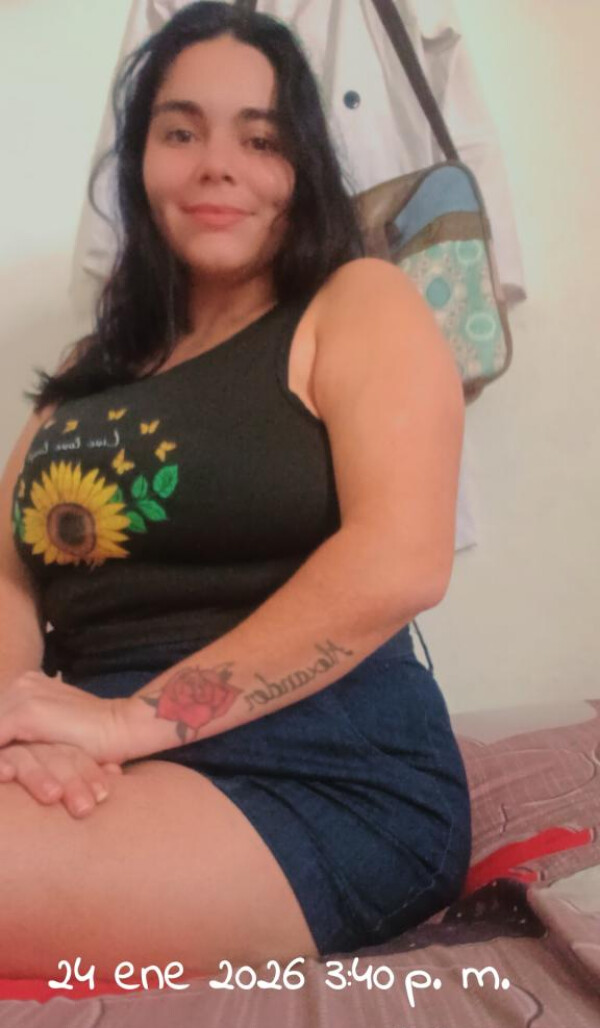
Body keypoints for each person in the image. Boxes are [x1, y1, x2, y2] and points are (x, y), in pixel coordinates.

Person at [0, 1, 471, 978]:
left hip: (315, 767)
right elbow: (7, 575)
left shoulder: (359, 301)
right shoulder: (90, 368)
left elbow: (401, 558)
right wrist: (20, 725)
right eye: (181, 132)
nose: (217, 164)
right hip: (99, 753)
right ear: (139, 161)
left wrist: (125, 723)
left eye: (260, 139)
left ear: (305, 167)